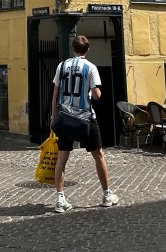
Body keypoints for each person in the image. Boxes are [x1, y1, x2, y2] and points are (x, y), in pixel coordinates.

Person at [49, 34, 118, 213]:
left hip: (65, 117)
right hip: (85, 118)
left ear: (73, 48)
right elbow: (96, 95)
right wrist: (94, 90)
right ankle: (106, 195)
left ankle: (60, 199)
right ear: (87, 49)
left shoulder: (62, 65)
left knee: (62, 158)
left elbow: (55, 92)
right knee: (98, 155)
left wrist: (53, 117)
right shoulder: (90, 67)